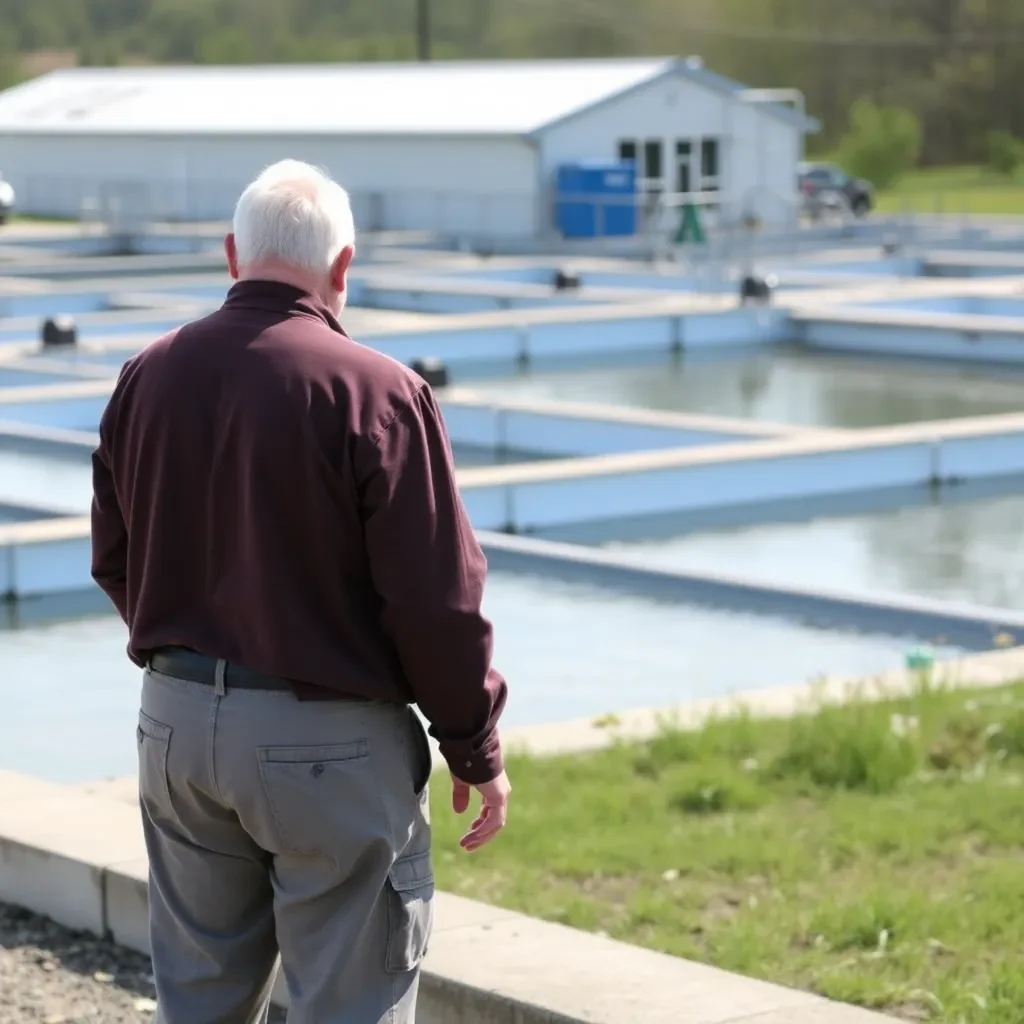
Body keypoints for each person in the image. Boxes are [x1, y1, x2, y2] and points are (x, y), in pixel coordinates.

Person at [90, 159, 510, 1024]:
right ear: (344, 267)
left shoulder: (147, 373)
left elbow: (114, 552)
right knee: (349, 1002)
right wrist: (473, 745)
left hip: (172, 726)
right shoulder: (381, 394)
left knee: (199, 1001)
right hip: (328, 740)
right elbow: (438, 601)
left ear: (232, 254)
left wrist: (190, 651)